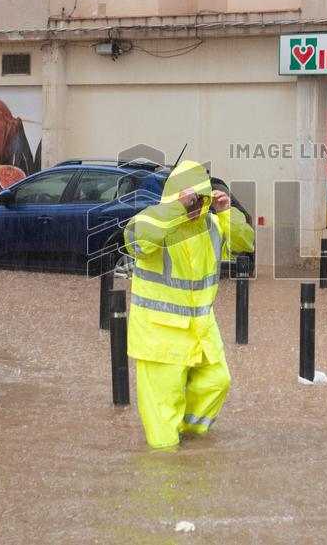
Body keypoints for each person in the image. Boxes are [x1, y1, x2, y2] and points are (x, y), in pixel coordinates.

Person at [123, 160, 255, 449]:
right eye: (192, 200)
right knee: (162, 415)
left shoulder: (211, 226)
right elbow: (136, 240)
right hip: (159, 336)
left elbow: (246, 243)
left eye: (200, 200)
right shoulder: (155, 220)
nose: (196, 207)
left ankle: (191, 437)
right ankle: (163, 465)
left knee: (217, 381)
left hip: (201, 330)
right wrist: (177, 208)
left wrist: (226, 211)